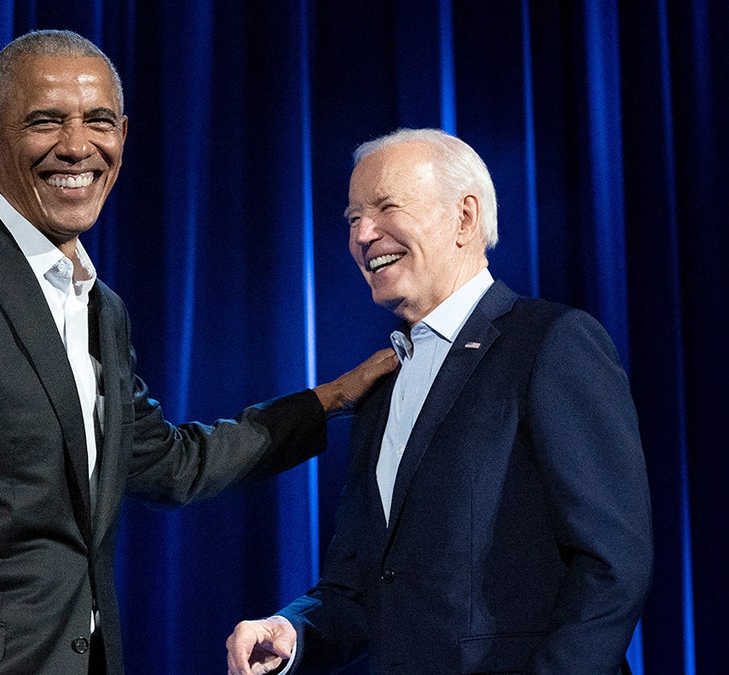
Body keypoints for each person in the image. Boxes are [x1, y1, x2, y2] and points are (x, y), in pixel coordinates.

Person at [0, 29, 395, 675]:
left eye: (98, 121)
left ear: (121, 134)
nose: (77, 145)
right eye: (45, 121)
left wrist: (327, 402)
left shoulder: (102, 307)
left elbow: (167, 463)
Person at [225, 128, 653, 675]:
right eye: (353, 218)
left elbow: (614, 564)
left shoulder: (550, 343)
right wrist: (292, 633)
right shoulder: (381, 384)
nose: (363, 233)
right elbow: (362, 583)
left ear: (465, 218)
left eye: (385, 207)